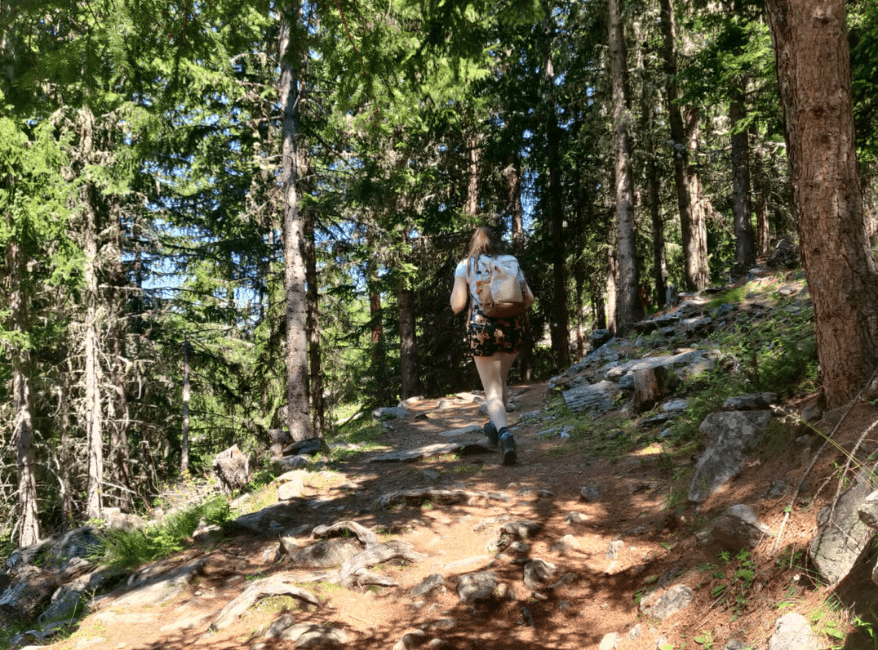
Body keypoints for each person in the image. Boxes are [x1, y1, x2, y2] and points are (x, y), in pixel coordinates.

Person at [450, 226, 534, 465]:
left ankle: (506, 436)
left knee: (492, 390)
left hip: (481, 327)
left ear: (473, 244)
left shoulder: (466, 265)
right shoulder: (510, 261)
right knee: (500, 382)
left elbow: (458, 305)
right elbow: (529, 298)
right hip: (512, 326)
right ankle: (494, 428)